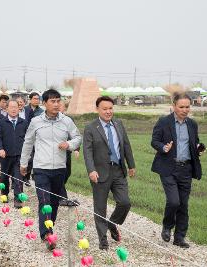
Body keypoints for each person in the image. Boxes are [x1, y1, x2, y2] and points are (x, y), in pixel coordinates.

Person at [20, 89, 81, 251]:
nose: (56, 104)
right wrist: (24, 163)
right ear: (44, 103)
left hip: (60, 169)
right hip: (41, 168)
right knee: (44, 201)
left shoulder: (66, 121)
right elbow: (28, 142)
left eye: (58, 101)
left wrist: (69, 145)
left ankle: (49, 228)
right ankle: (46, 234)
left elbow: (77, 137)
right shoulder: (36, 122)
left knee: (53, 202)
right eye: (52, 101)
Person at [151, 93, 205, 249]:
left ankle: (179, 237)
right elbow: (154, 141)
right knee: (174, 201)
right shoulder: (164, 122)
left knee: (183, 205)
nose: (185, 110)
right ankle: (167, 226)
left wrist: (199, 148)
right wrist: (163, 147)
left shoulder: (192, 124)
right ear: (174, 106)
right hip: (168, 167)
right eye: (181, 107)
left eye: (187, 106)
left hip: (186, 169)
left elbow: (195, 142)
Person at [83, 96, 136, 250]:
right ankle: (103, 239)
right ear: (97, 110)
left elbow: (126, 145)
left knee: (125, 202)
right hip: (100, 172)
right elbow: (87, 151)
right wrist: (91, 170)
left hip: (118, 170)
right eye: (104, 109)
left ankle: (112, 223)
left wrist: (131, 165)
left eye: (110, 108)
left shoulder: (119, 124)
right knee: (100, 207)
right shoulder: (91, 127)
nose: (108, 111)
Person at [0, 100, 29, 208]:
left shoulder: (24, 122)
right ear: (7, 109)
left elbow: (28, 139)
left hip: (19, 155)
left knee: (18, 177)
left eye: (16, 107)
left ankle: (18, 199)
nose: (14, 109)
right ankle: (4, 194)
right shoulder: (1, 122)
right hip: (5, 155)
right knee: (4, 177)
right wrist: (0, 149)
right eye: (11, 107)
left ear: (19, 109)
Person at [58, 100, 80, 206]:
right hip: (54, 152)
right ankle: (62, 198)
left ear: (64, 108)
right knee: (60, 173)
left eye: (60, 105)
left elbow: (75, 135)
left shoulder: (69, 120)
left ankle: (56, 190)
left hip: (67, 151)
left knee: (67, 172)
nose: (57, 106)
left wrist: (76, 149)